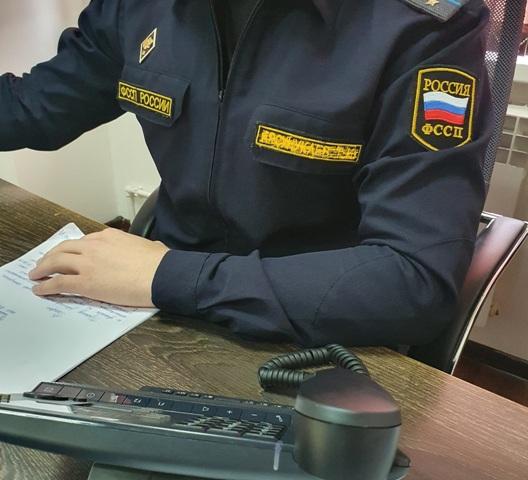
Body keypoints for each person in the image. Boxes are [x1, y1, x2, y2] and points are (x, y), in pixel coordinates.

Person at [0, 0, 492, 347]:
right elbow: (34, 107)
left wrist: (170, 276)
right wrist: (165, 280)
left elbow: (414, 280)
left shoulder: (419, 25)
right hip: (155, 310)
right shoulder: (139, 6)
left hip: (317, 330)